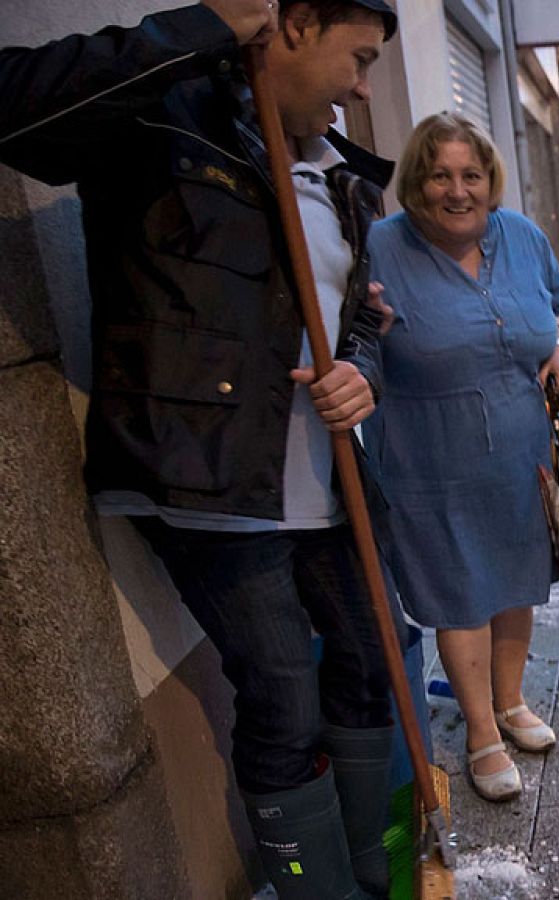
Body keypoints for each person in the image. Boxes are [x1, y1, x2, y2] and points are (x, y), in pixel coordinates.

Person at [0, 1, 400, 897]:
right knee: (286, 696)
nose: (362, 88)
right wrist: (205, 28)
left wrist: (362, 368)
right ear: (294, 27)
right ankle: (315, 887)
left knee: (373, 658)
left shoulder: (341, 176)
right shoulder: (160, 118)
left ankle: (377, 871)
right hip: (209, 481)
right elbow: (18, 110)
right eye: (359, 57)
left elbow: (362, 315)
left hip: (327, 480)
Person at [361, 112, 559, 803]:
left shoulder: (523, 236)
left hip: (522, 449)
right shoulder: (378, 248)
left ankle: (511, 702)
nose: (458, 190)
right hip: (432, 458)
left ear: (491, 181)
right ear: (415, 184)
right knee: (461, 595)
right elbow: (354, 341)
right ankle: (481, 732)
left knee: (517, 584)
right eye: (440, 175)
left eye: (471, 175)